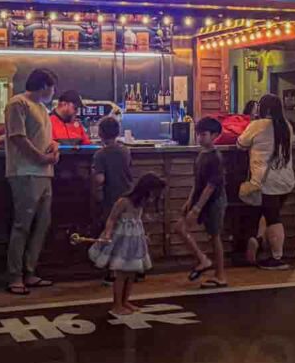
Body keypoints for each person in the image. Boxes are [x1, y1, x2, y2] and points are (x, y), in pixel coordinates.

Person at [4, 68, 61, 295]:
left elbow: (44, 137)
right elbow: (18, 138)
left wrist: (54, 146)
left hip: (44, 173)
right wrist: (42, 157)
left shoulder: (43, 108)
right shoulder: (18, 103)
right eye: (52, 87)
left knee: (41, 225)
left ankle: (30, 271)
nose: (53, 92)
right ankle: (15, 276)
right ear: (44, 85)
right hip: (24, 172)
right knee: (23, 225)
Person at [237, 93, 295, 270]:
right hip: (286, 181)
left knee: (273, 218)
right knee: (269, 213)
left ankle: (277, 258)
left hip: (266, 182)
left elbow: (240, 143)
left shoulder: (258, 125)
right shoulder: (287, 125)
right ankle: (258, 240)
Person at [91, 172, 164, 316]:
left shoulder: (141, 203)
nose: (153, 197)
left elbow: (138, 221)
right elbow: (111, 219)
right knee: (121, 273)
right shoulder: (123, 201)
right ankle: (117, 305)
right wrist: (107, 234)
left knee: (131, 273)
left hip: (135, 241)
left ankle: (125, 301)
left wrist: (144, 235)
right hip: (122, 241)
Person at [173, 117, 228, 288]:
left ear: (215, 135)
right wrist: (190, 200)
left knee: (215, 237)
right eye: (198, 134)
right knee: (180, 228)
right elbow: (198, 182)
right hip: (200, 200)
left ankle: (220, 275)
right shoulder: (201, 155)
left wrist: (196, 208)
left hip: (214, 201)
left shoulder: (215, 157)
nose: (200, 138)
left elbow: (211, 186)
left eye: (203, 134)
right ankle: (203, 259)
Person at [91, 115, 132, 284]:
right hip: (128, 195)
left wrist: (91, 175)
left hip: (111, 197)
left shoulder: (100, 154)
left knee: (112, 233)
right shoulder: (125, 150)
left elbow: (100, 179)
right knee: (128, 233)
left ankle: (112, 273)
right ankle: (133, 269)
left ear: (100, 134)